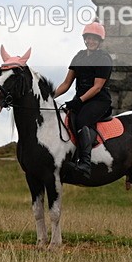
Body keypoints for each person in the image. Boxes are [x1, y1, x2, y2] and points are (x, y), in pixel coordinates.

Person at [53, 21, 113, 178]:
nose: (91, 41)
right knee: (66, 119)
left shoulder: (104, 58)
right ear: (84, 39)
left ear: (100, 41)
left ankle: (85, 164)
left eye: (94, 38)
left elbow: (97, 87)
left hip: (99, 100)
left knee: (81, 121)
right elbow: (66, 83)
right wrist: (49, 97)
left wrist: (79, 101)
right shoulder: (78, 57)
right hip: (82, 99)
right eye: (88, 38)